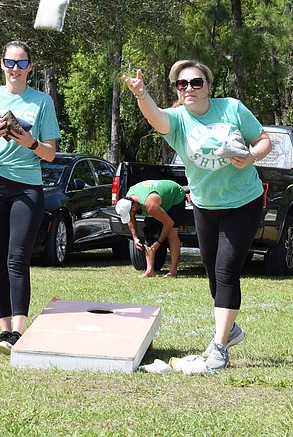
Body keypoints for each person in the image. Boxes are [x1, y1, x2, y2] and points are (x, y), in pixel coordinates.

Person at [122, 61, 271, 370]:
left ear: (208, 85)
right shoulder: (178, 119)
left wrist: (251, 157)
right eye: (182, 84)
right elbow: (156, 118)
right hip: (205, 205)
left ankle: (219, 347)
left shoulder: (231, 108)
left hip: (244, 201)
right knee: (213, 271)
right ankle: (230, 330)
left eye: (196, 82)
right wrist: (141, 94)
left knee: (227, 268)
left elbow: (264, 140)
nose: (189, 88)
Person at [0, 40, 61, 355]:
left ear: (30, 68)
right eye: (10, 63)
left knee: (17, 259)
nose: (15, 69)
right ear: (2, 65)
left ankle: (18, 334)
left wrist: (29, 141)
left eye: (22, 64)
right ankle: (4, 331)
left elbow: (49, 155)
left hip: (26, 188)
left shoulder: (42, 102)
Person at [114, 179, 186, 278]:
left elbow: (169, 223)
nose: (130, 215)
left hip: (174, 196)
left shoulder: (150, 206)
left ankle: (173, 271)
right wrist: (135, 238)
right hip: (156, 199)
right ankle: (150, 271)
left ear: (134, 207)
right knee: (149, 233)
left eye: (130, 213)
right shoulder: (129, 199)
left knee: (172, 234)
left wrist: (159, 242)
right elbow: (131, 219)